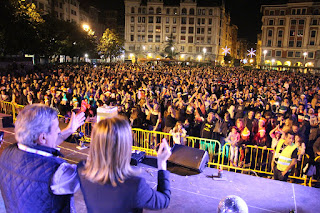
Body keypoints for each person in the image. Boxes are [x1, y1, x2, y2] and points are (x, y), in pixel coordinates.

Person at [0, 104, 86, 212]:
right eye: (57, 128)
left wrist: (70, 130)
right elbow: (93, 178)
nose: (59, 131)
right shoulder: (56, 173)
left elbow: (42, 145)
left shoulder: (6, 154)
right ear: (43, 137)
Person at [77, 116, 172, 213]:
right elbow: (164, 200)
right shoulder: (135, 186)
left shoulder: (82, 169)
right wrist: (162, 163)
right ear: (124, 146)